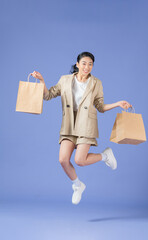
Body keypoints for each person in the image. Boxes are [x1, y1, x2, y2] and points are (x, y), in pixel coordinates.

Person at [31, 51, 132, 205]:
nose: (87, 66)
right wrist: (42, 80)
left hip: (86, 124)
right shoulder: (65, 80)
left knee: (80, 160)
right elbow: (47, 95)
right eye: (84, 63)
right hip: (69, 124)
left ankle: (105, 156)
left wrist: (118, 103)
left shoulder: (96, 83)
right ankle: (78, 185)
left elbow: (100, 107)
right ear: (77, 64)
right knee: (63, 160)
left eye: (90, 64)